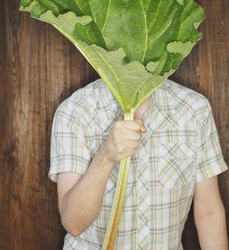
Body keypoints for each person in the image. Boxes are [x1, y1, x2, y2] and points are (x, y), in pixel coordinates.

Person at [48, 77, 229, 249]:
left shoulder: (195, 110)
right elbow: (74, 223)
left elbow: (209, 213)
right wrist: (105, 156)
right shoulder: (75, 111)